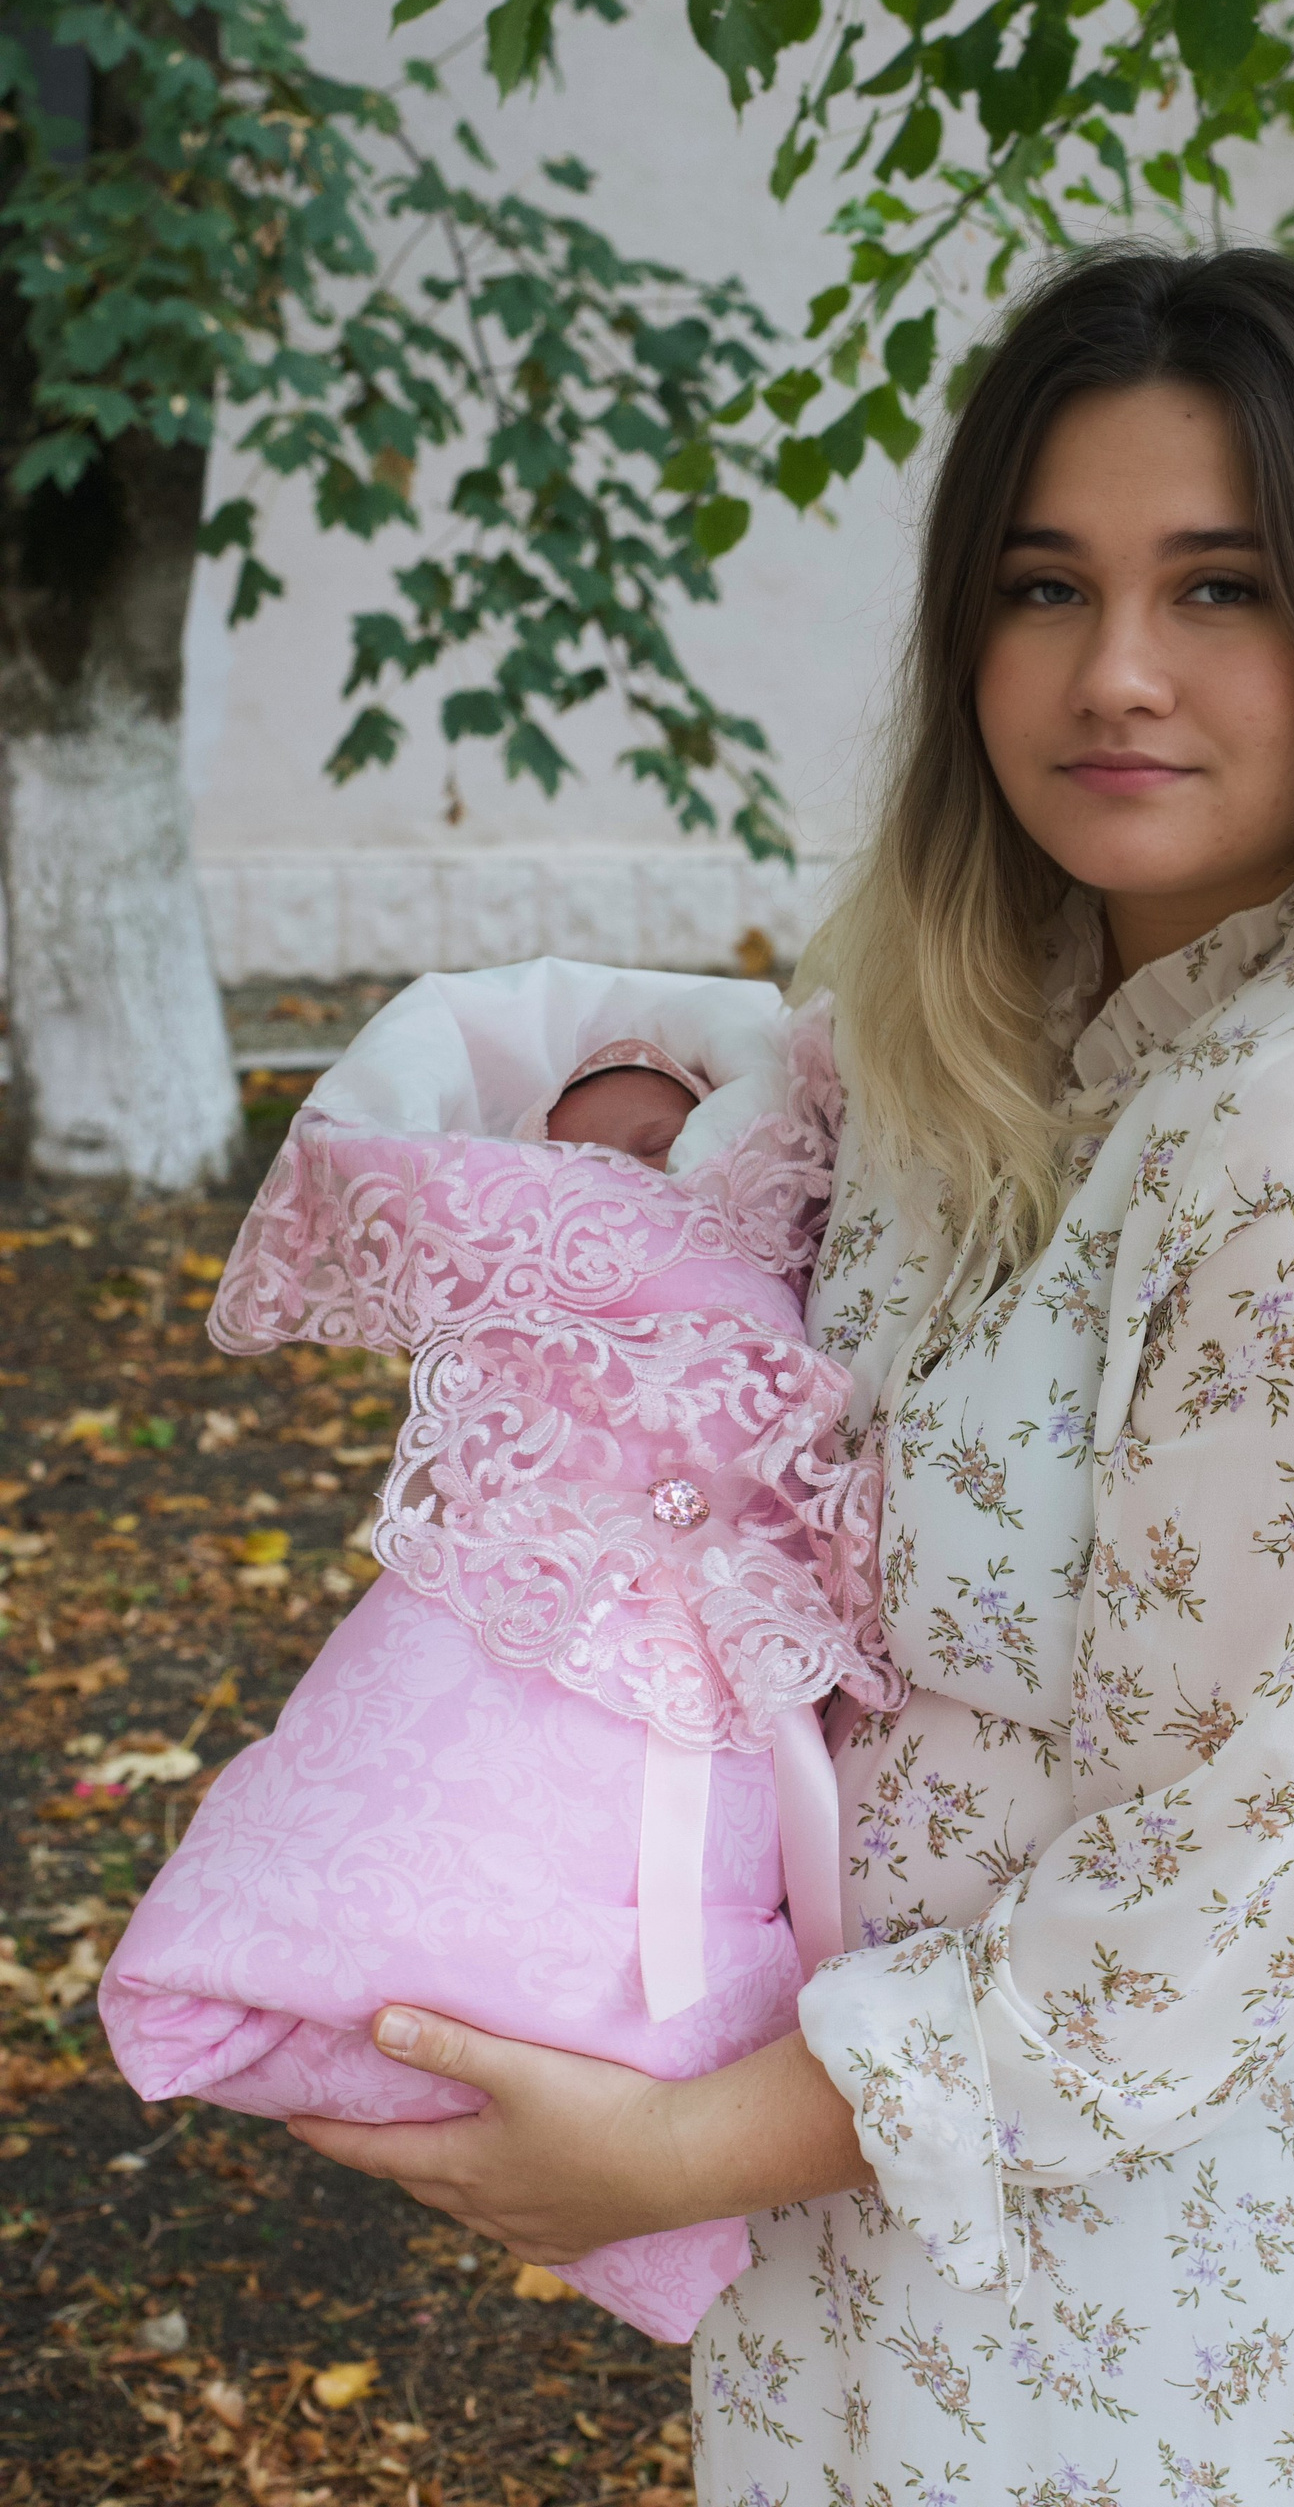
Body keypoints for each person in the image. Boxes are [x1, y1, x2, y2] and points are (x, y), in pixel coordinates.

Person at [286, 246, 1294, 2504]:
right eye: (1044, 586)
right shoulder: (1012, 1034)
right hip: (906, 2246)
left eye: (1222, 586)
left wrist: (665, 2151)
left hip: (1197, 2339)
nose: (1114, 670)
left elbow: (1206, 1895)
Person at [100, 988, 900, 2343]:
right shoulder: (534, 1276)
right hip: (523, 1575)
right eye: (577, 1148)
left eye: (656, 1139)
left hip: (719, 1641)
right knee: (421, 1768)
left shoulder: (784, 1218)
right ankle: (288, 1983)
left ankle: (672, 2119)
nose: (622, 1170)